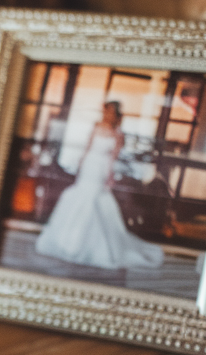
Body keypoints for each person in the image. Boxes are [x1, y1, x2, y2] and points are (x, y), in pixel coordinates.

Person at [34, 101, 164, 269]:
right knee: (79, 195)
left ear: (115, 115)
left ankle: (89, 245)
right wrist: (81, 165)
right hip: (89, 165)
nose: (107, 115)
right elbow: (87, 147)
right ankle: (69, 242)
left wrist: (110, 175)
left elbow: (113, 157)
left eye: (110, 112)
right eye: (105, 111)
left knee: (94, 200)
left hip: (101, 169)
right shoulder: (96, 126)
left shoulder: (118, 134)